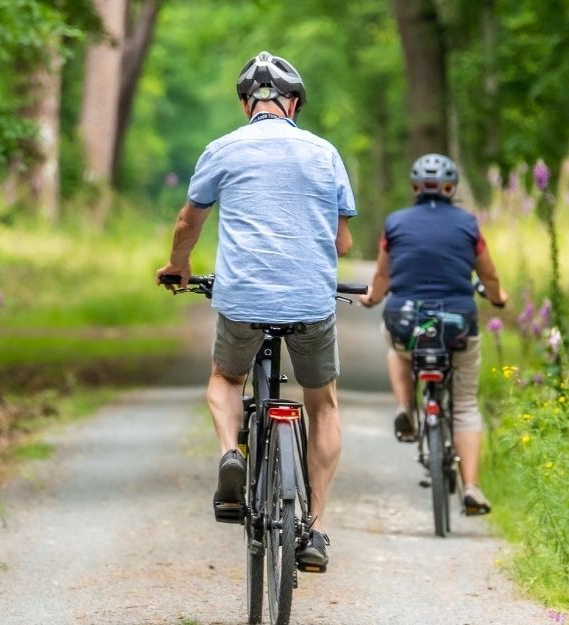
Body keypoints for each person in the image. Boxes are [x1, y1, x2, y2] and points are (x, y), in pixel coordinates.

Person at [155, 51, 356, 571]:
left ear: (247, 104)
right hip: (311, 301)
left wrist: (179, 266)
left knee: (225, 378)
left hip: (242, 298)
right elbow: (343, 240)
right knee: (324, 404)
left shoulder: (222, 149)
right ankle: (316, 530)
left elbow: (187, 223)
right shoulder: (324, 152)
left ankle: (231, 454)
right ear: (293, 103)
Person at [358, 153, 507, 516]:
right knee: (467, 405)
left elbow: (382, 276)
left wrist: (373, 298)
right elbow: (488, 275)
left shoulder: (395, 223)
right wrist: (499, 298)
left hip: (406, 320)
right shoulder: (469, 224)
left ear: (414, 187)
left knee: (395, 345)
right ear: (451, 187)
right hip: (457, 323)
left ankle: (405, 407)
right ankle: (471, 486)